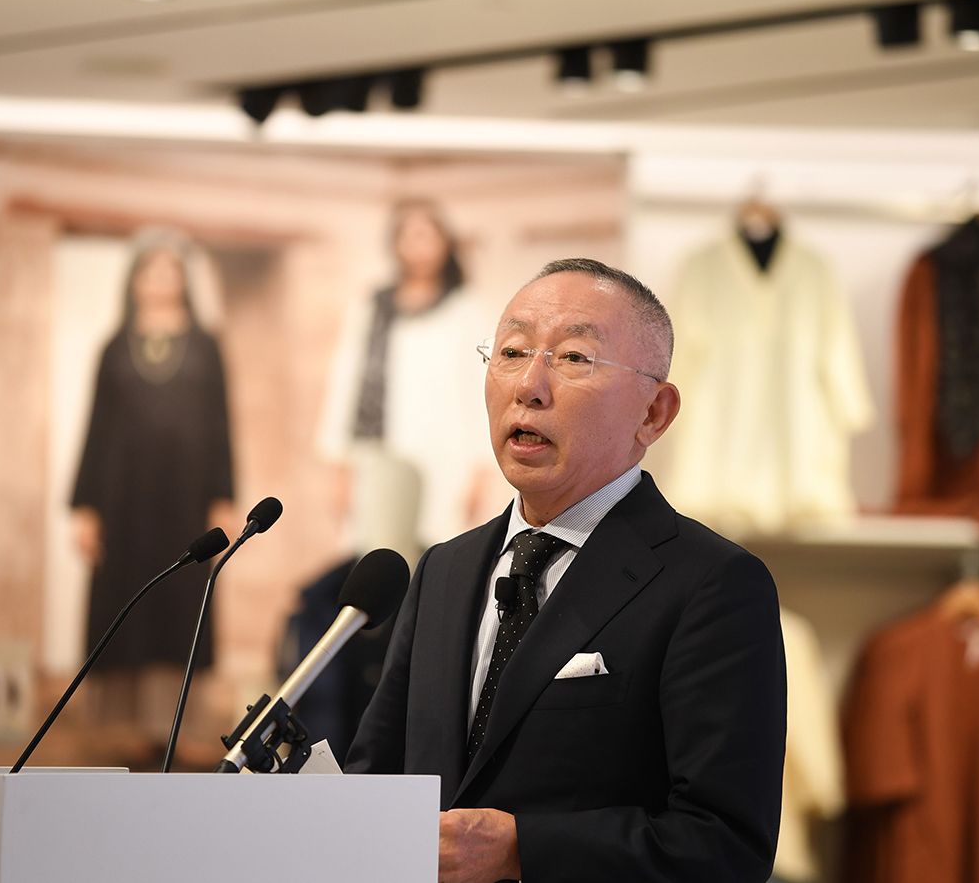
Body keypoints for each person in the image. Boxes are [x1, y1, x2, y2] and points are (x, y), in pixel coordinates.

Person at [346, 258, 786, 883]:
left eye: (575, 358)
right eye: (512, 352)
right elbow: (377, 782)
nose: (530, 386)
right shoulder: (445, 569)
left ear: (654, 413)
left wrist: (521, 849)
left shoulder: (712, 585)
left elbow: (726, 845)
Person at [70, 232, 234, 747]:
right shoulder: (113, 347)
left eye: (171, 270)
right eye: (150, 270)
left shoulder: (207, 346)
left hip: (187, 499)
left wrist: (224, 496)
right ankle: (121, 732)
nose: (160, 280)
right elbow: (95, 428)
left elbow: (222, 426)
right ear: (134, 281)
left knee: (181, 603)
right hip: (121, 500)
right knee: (125, 602)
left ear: (184, 281)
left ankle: (175, 728)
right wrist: (85, 507)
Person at [316, 198, 496, 548]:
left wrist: (481, 470)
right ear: (395, 243)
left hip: (445, 459)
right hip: (377, 455)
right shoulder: (373, 307)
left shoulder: (465, 309)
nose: (419, 246)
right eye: (410, 236)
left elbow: (481, 388)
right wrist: (340, 467)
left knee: (437, 555)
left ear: (445, 243)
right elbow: (346, 384)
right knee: (378, 554)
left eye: (427, 235)